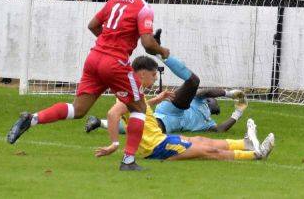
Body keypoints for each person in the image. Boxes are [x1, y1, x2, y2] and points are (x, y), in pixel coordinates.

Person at [7, 0, 170, 171]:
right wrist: (162, 50)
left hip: (94, 58)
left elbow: (93, 25)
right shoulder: (144, 8)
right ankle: (128, 161)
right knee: (139, 109)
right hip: (115, 63)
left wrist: (108, 41)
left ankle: (32, 119)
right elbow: (147, 43)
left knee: (78, 110)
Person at [94, 56, 275, 162]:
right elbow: (113, 113)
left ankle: (246, 144)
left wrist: (157, 99)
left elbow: (133, 109)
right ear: (142, 74)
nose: (156, 78)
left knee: (201, 139)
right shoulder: (130, 90)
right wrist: (115, 144)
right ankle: (255, 155)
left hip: (160, 139)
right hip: (155, 147)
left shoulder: (135, 90)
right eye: (154, 74)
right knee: (207, 151)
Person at [85, 56, 248, 135]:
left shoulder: (209, 122)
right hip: (173, 108)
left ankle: (99, 122)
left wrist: (238, 112)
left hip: (173, 123)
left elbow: (220, 129)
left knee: (141, 127)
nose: (212, 99)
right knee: (193, 82)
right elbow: (204, 92)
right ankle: (162, 54)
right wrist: (230, 93)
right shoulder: (200, 100)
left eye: (213, 100)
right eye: (213, 98)